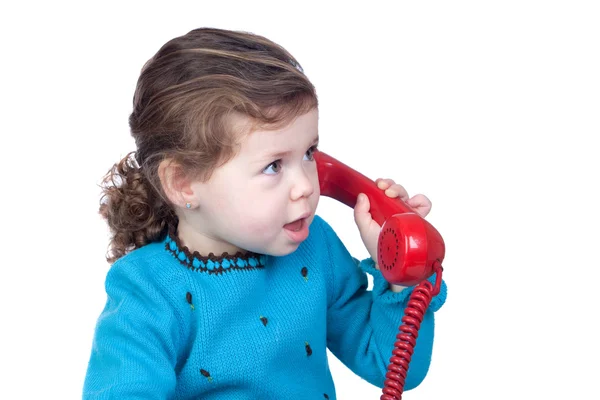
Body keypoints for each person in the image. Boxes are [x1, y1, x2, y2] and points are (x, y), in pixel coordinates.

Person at [82, 27, 447, 399]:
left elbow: (393, 367)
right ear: (183, 183)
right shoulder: (148, 287)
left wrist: (400, 276)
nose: (306, 184)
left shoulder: (315, 248)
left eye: (309, 153)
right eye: (274, 165)